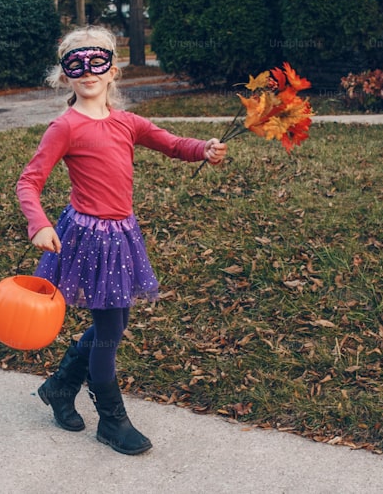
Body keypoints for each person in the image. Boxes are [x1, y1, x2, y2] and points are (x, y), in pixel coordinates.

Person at [15, 25, 227, 455]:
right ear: (65, 75)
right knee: (110, 327)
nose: (88, 71)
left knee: (115, 324)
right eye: (76, 63)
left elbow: (170, 143)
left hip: (121, 236)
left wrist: (202, 149)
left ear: (113, 71)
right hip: (87, 238)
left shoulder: (127, 123)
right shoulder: (65, 127)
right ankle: (112, 420)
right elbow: (29, 181)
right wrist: (38, 223)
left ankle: (60, 386)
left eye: (97, 61)